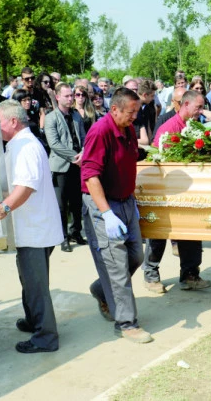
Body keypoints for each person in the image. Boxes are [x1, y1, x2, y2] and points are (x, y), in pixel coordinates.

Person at [0, 100, 63, 354]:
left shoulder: (26, 146)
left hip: (35, 228)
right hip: (31, 226)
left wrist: (3, 209)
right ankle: (33, 320)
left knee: (36, 286)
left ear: (13, 121)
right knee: (28, 279)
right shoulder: (19, 144)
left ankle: (46, 337)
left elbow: (25, 187)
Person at [81, 88, 153, 344]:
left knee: (136, 256)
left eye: (137, 111)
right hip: (105, 205)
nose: (135, 116)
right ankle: (126, 323)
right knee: (117, 265)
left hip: (126, 201)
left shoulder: (128, 128)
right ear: (115, 109)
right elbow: (90, 176)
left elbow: (129, 159)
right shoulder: (100, 132)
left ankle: (101, 289)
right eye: (131, 112)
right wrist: (107, 213)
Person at [143, 90, 211, 293]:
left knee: (191, 231)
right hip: (166, 190)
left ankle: (190, 274)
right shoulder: (169, 128)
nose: (201, 111)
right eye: (198, 107)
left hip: (188, 190)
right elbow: (158, 161)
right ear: (186, 104)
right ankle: (151, 275)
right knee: (159, 233)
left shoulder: (195, 126)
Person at [45, 83, 87, 253]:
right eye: (67, 96)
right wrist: (74, 157)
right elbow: (54, 144)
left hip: (78, 164)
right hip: (61, 166)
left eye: (72, 95)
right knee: (61, 205)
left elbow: (84, 138)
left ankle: (75, 232)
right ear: (57, 97)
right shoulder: (51, 117)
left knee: (77, 202)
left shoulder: (76, 115)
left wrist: (83, 153)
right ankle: (62, 237)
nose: (70, 99)